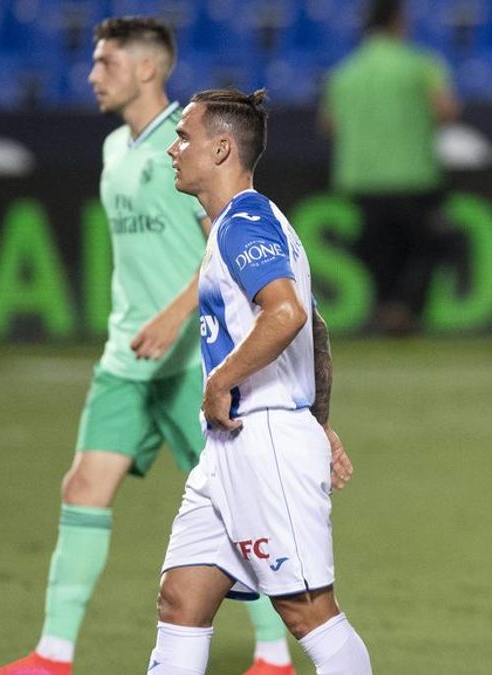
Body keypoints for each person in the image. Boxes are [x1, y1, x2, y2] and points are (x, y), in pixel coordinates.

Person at [0, 18, 295, 675]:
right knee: (84, 486)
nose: (92, 75)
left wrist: (176, 315)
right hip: (126, 358)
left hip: (189, 361)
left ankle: (273, 655)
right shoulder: (116, 150)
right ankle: (52, 657)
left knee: (236, 504)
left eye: (105, 62)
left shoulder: (191, 147)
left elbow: (219, 242)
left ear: (148, 68)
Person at [148, 87, 369, 675]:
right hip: (229, 451)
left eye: (184, 137)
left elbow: (287, 314)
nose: (174, 150)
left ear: (221, 149)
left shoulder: (243, 224)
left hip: (261, 440)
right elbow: (314, 326)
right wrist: (319, 423)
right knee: (181, 600)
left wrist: (221, 380)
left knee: (308, 613)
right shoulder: (244, 223)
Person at [319, 0, 460, 335]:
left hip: (362, 178)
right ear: (398, 21)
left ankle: (388, 309)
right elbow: (447, 110)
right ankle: (403, 308)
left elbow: (328, 124)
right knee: (429, 246)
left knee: (380, 251)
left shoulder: (344, 72)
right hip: (412, 174)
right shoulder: (419, 64)